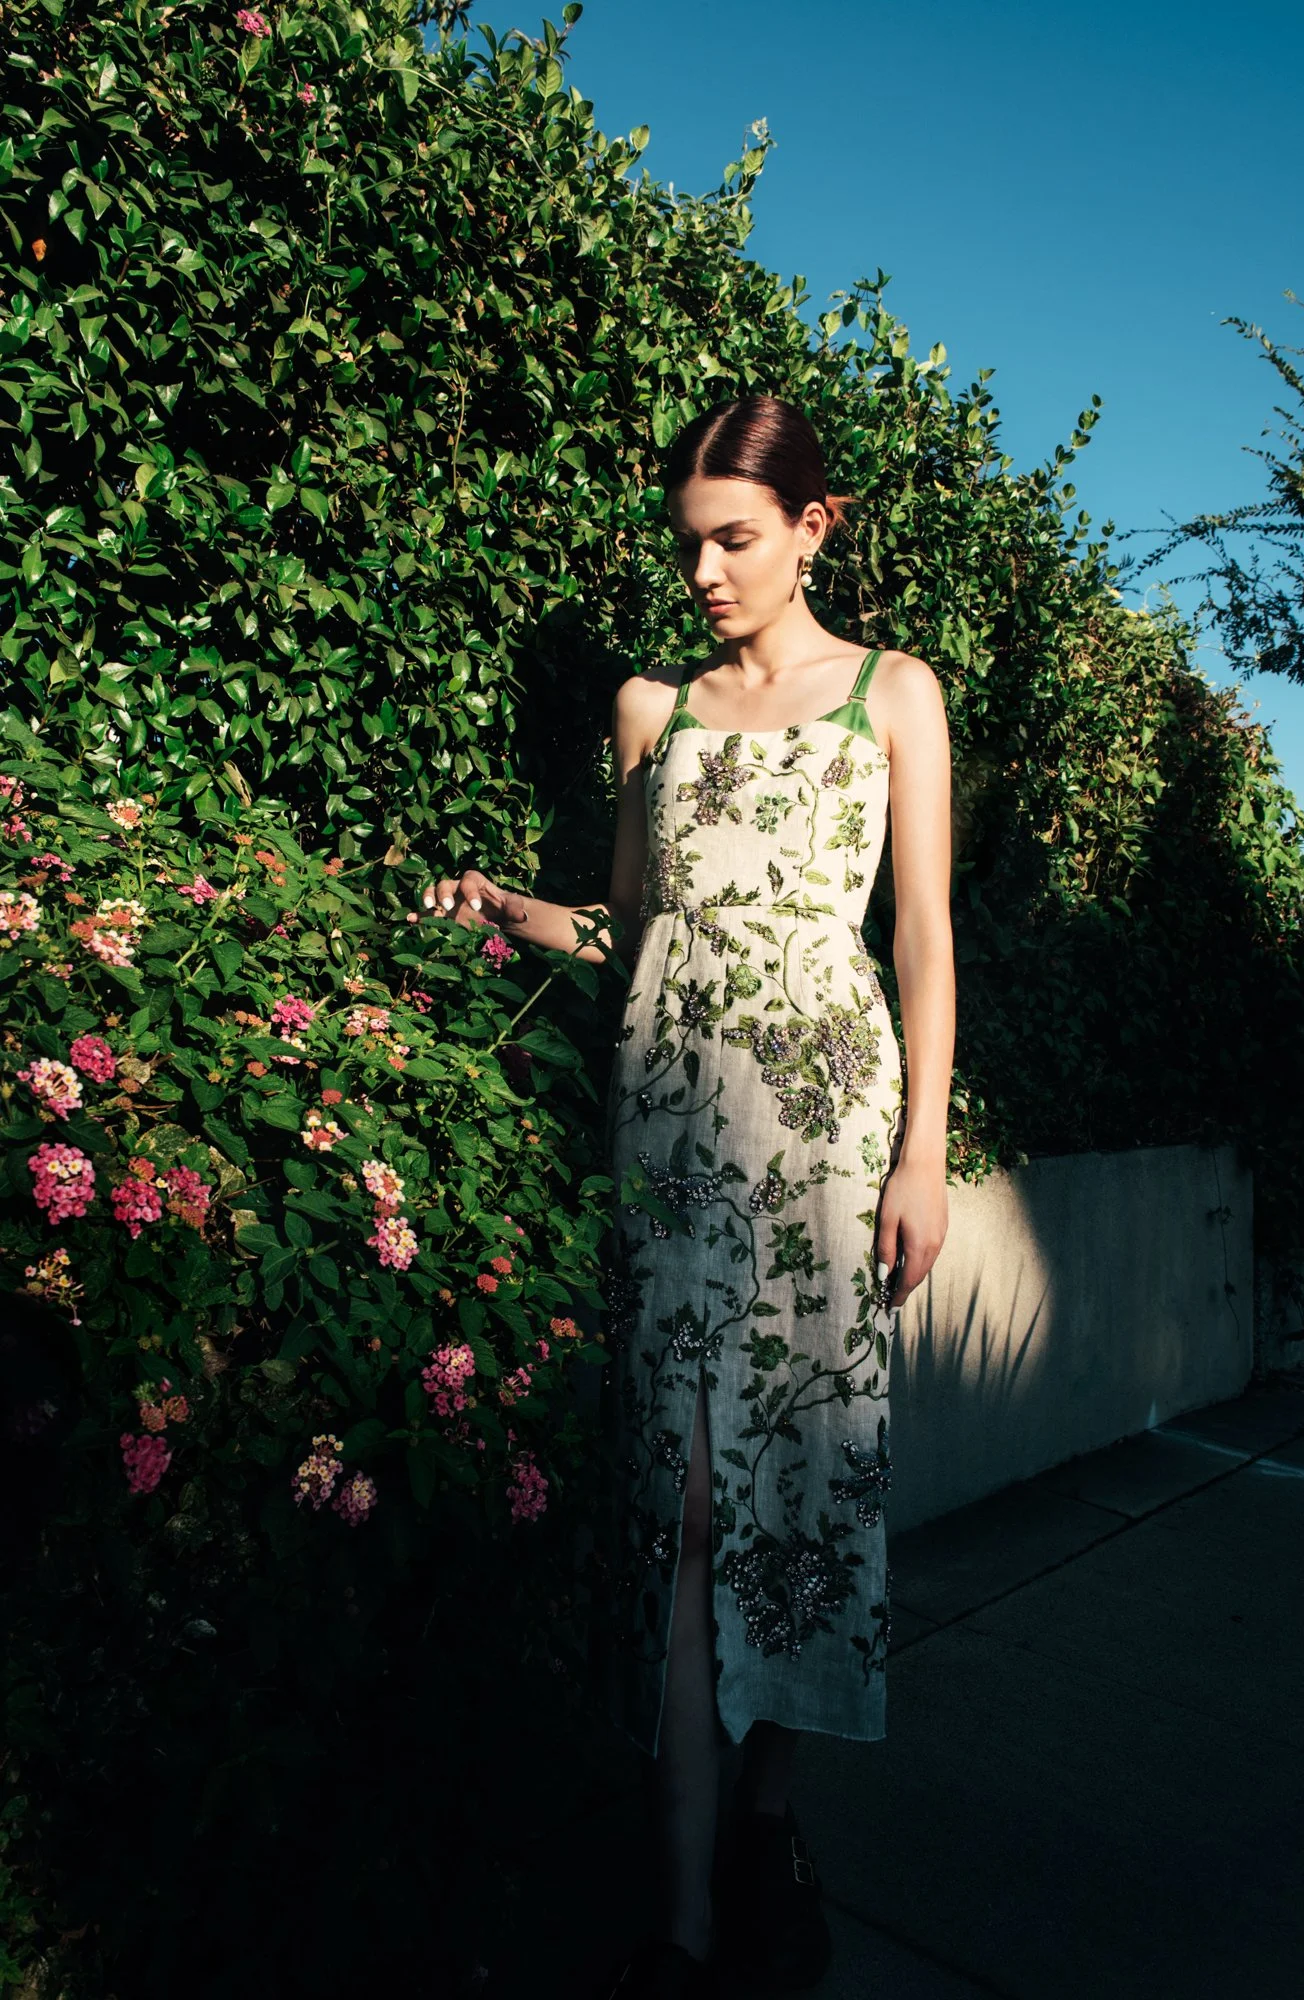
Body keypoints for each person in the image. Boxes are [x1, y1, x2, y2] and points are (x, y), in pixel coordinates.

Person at [422, 394, 954, 1999]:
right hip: (667, 1143)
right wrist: (508, 908)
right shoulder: (650, 708)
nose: (705, 573)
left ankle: (764, 1823)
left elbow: (918, 938)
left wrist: (921, 1152)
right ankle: (683, 1928)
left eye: (734, 539)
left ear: (812, 526)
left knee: (803, 1494)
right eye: (689, 546)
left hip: (826, 1147)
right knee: (688, 1507)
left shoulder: (890, 693)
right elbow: (630, 929)